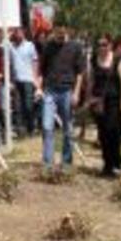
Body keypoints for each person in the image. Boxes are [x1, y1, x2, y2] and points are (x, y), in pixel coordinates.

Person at [36, 26, 86, 173]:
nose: (60, 36)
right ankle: (48, 163)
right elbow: (41, 70)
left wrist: (76, 93)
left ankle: (67, 162)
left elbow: (80, 73)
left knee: (68, 128)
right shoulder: (48, 47)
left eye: (62, 34)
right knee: (46, 126)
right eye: (57, 34)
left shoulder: (75, 47)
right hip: (50, 91)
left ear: (67, 32)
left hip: (67, 90)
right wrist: (39, 88)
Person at [87, 34, 121, 177]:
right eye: (99, 44)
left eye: (105, 44)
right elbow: (91, 81)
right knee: (103, 133)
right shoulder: (93, 60)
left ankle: (117, 162)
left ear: (110, 45)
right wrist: (88, 99)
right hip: (98, 102)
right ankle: (107, 164)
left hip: (114, 102)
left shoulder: (118, 60)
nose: (102, 47)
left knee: (113, 131)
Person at [8, 27, 39, 136]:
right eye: (16, 32)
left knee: (28, 105)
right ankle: (20, 130)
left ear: (23, 32)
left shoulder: (30, 45)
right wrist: (8, 35)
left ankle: (31, 127)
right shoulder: (11, 46)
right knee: (17, 106)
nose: (17, 34)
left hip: (28, 79)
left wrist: (36, 78)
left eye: (19, 32)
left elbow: (35, 63)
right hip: (16, 80)